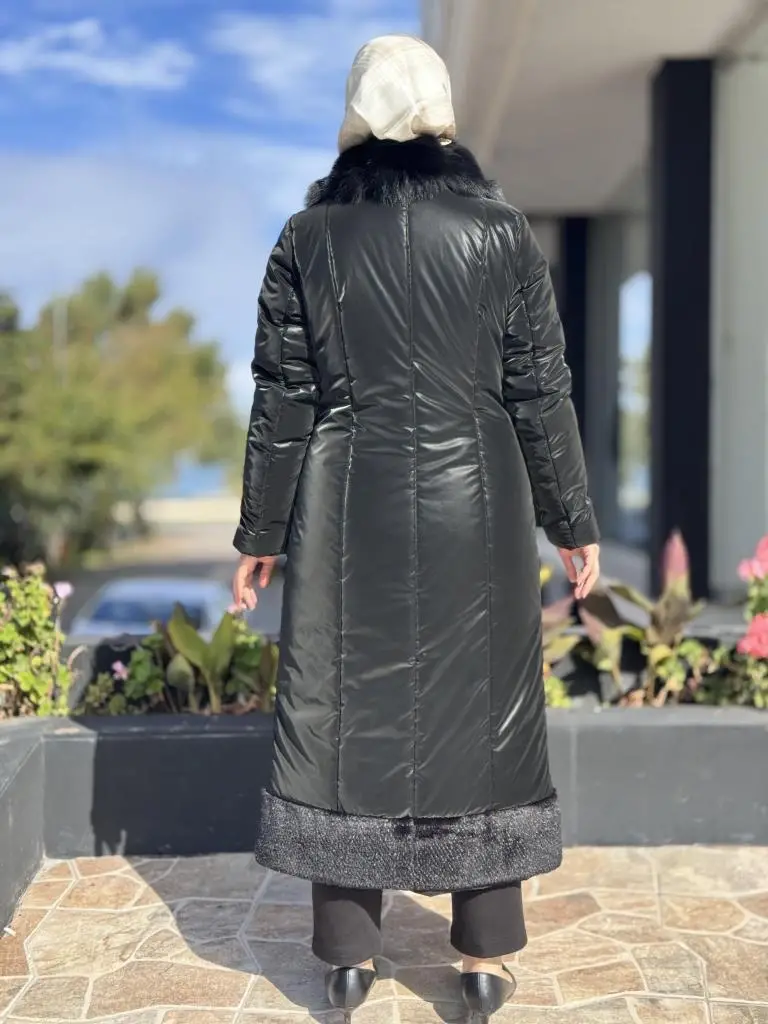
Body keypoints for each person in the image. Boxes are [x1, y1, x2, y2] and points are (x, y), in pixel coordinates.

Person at [232, 34, 600, 1023]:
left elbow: (284, 396)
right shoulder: (502, 233)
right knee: (489, 711)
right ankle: (482, 953)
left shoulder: (307, 238)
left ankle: (348, 953)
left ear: (355, 115)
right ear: (441, 112)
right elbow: (539, 389)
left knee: (339, 711)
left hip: (344, 503)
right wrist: (571, 517)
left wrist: (260, 533)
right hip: (477, 503)